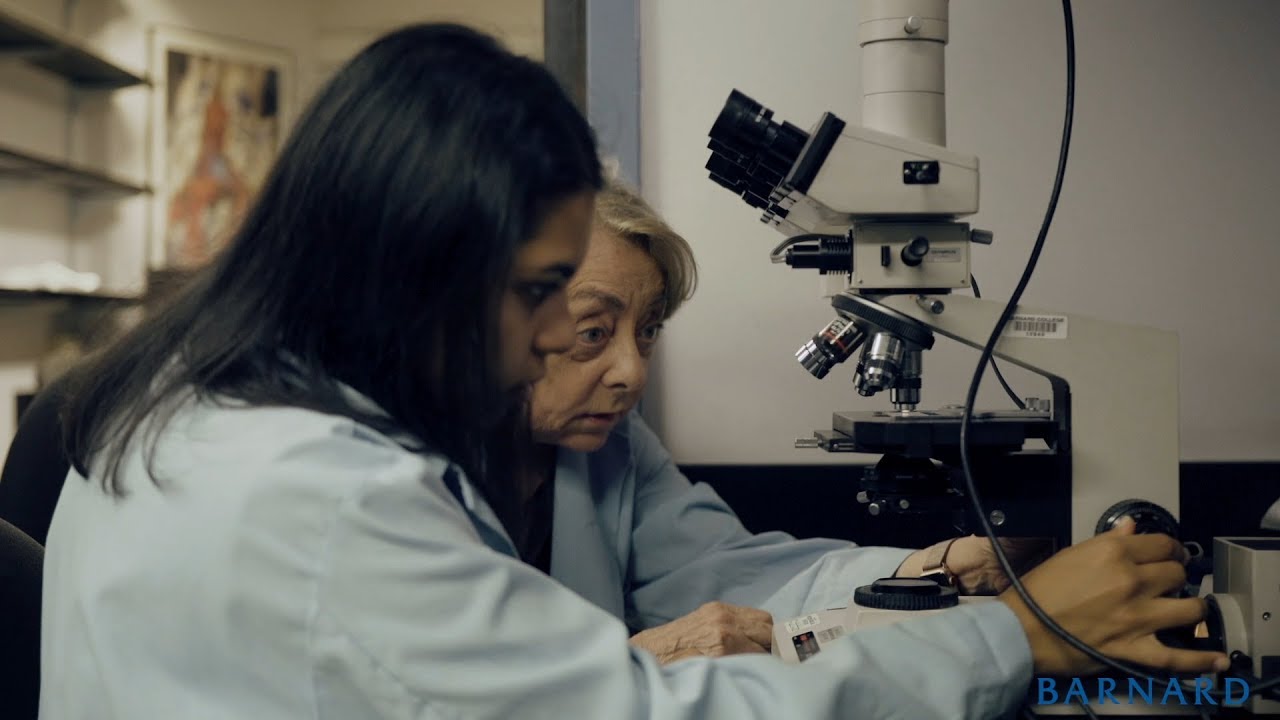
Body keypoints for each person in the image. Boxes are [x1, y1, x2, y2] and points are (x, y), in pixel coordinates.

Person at [36, 23, 1223, 720]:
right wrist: (1014, 637)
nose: (562, 347)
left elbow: (730, 573)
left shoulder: (198, 405)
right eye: (543, 298)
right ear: (424, 258)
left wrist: (930, 579)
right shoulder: (318, 495)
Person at [521, 174, 1051, 664]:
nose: (632, 374)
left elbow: (734, 573)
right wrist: (644, 661)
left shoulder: (617, 448)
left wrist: (954, 564)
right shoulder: (439, 484)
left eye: (649, 330)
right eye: (593, 332)